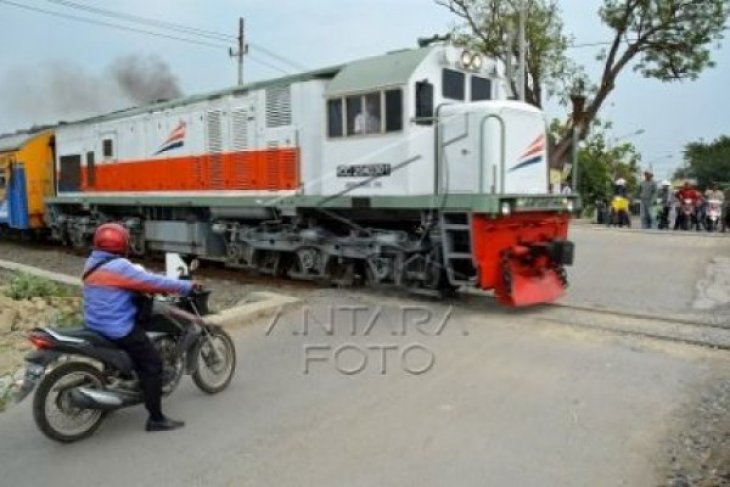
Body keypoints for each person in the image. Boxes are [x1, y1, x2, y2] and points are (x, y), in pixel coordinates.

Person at [82, 223, 199, 432]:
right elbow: (151, 282)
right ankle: (156, 419)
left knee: (137, 350)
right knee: (153, 364)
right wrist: (187, 286)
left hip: (95, 323)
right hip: (116, 327)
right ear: (124, 243)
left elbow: (133, 280)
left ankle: (120, 384)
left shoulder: (92, 262)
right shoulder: (119, 267)